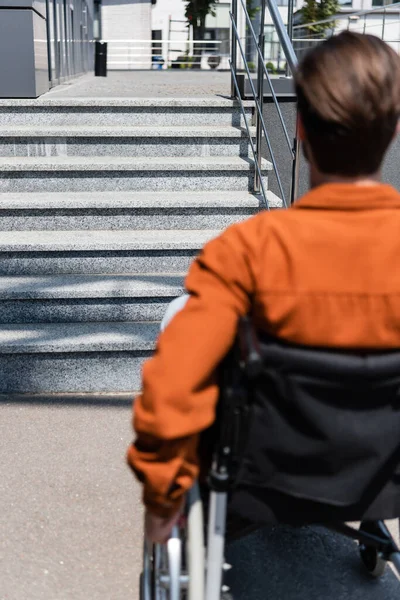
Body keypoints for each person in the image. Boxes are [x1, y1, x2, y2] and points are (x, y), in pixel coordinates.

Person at [127, 31, 400, 544]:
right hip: (384, 477)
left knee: (181, 316)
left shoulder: (247, 249)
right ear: (394, 129)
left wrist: (163, 495)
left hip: (262, 473)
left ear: (299, 127)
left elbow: (172, 392)